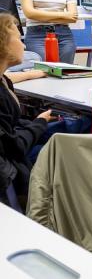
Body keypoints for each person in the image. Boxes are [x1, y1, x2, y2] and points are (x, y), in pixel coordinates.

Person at [0, 13, 54, 201]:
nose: (23, 46)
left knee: (69, 128)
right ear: (3, 43)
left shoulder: (3, 80)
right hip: (14, 167)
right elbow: (15, 146)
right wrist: (39, 123)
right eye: (18, 38)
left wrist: (30, 75)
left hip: (13, 151)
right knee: (69, 146)